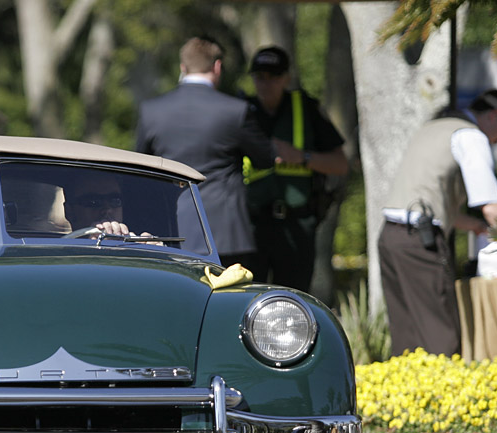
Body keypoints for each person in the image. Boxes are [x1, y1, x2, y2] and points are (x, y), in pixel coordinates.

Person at [378, 89, 497, 356]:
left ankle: (403, 397)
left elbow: (425, 200)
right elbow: (490, 206)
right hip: (420, 243)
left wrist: (474, 227)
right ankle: (444, 397)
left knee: (406, 338)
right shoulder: (471, 136)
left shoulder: (434, 126)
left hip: (391, 238)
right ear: (495, 116)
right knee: (441, 337)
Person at [135, 36, 283, 270]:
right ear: (217, 66)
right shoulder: (236, 111)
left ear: (183, 68)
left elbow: (140, 169)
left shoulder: (151, 112)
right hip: (227, 234)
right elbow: (266, 159)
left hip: (170, 232)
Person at [243, 46, 349, 292]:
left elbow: (340, 164)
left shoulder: (306, 109)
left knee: (292, 299)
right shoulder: (241, 112)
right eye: (260, 76)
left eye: (273, 77)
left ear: (286, 79)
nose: (265, 84)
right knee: (245, 299)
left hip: (296, 225)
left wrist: (302, 157)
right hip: (251, 226)